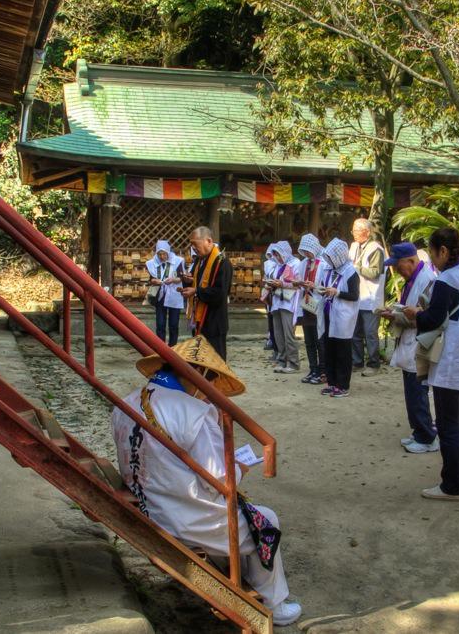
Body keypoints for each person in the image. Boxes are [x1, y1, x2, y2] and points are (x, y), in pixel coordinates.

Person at [110, 336, 302, 626]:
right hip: (183, 517)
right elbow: (218, 480)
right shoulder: (195, 413)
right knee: (267, 520)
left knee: (246, 515)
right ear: (198, 374)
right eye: (209, 379)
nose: (207, 389)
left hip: (149, 502)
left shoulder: (126, 402)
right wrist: (238, 468)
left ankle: (244, 577)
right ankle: (275, 603)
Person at [406, 227, 459, 501]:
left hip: (452, 358)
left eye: (432, 253)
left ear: (443, 251)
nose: (431, 259)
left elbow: (434, 318)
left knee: (447, 425)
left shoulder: (448, 279)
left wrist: (415, 314)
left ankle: (451, 485)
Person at [382, 242, 439, 454]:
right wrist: (395, 312)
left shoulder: (428, 281)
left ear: (411, 261)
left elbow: (426, 316)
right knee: (411, 391)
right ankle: (418, 431)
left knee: (418, 392)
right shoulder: (413, 279)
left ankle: (427, 436)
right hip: (408, 342)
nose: (397, 270)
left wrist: (396, 315)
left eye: (398, 265)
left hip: (419, 343)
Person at [317, 238, 360, 398]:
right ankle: (332, 382)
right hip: (329, 313)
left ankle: (343, 385)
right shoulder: (329, 269)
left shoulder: (350, 272)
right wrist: (320, 289)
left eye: (331, 257)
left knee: (342, 352)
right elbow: (324, 284)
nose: (329, 260)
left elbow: (354, 296)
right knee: (329, 350)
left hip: (343, 317)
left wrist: (337, 292)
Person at [181, 227, 233, 359]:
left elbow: (220, 293)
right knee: (200, 359)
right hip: (199, 319)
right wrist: (188, 282)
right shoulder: (199, 261)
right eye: (191, 244)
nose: (193, 248)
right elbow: (196, 283)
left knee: (215, 360)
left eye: (195, 244)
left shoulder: (222, 263)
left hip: (214, 320)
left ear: (208, 241)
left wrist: (196, 291)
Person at [349, 218, 386, 376]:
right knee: (355, 332)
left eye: (357, 231)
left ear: (367, 232)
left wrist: (357, 268)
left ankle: (373, 364)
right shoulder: (354, 247)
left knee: (370, 333)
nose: (355, 234)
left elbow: (375, 272)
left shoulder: (375, 248)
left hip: (371, 297)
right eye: (354, 231)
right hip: (356, 296)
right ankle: (357, 362)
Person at [292, 234, 326, 384]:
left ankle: (322, 370)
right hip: (306, 304)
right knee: (309, 340)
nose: (306, 254)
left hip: (318, 303)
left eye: (308, 251)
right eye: (304, 251)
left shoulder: (324, 263)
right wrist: (298, 283)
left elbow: (327, 285)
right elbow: (299, 278)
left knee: (320, 340)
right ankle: (312, 368)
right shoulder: (304, 262)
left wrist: (315, 287)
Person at [267, 241, 300, 374]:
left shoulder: (296, 263)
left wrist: (282, 284)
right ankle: (282, 360)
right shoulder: (277, 265)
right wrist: (271, 284)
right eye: (275, 255)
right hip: (277, 301)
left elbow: (298, 284)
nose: (277, 257)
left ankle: (293, 362)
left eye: (279, 254)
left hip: (288, 302)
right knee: (278, 334)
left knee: (288, 333)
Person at [146, 240, 185, 346]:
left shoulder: (177, 261)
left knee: (173, 324)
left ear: (168, 251)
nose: (162, 256)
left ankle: (173, 347)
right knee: (160, 324)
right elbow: (151, 279)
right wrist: (155, 281)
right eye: (159, 254)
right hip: (160, 296)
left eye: (164, 254)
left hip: (174, 295)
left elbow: (181, 278)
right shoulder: (152, 263)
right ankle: (161, 347)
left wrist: (173, 280)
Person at [263, 244, 278, 352]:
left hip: (277, 296)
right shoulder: (267, 264)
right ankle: (271, 340)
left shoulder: (281, 265)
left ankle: (277, 347)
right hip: (269, 295)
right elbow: (266, 276)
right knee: (270, 319)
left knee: (276, 322)